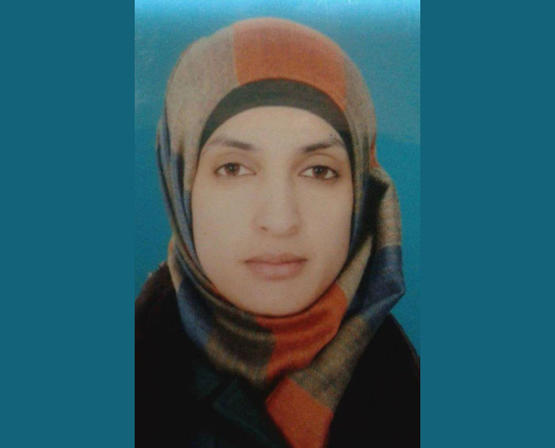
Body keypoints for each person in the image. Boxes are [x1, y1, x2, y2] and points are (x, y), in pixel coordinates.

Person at [135, 17, 419, 448]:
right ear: (180, 187)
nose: (280, 219)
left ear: (361, 195)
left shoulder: (410, 396)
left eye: (318, 171)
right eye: (233, 168)